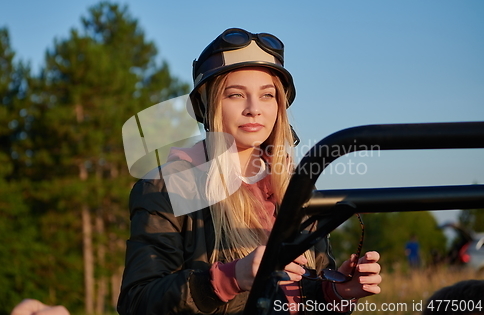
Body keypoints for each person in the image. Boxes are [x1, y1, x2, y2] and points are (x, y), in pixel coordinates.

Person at [117, 28, 382, 315]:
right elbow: (138, 302)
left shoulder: (297, 188)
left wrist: (336, 292)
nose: (254, 109)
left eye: (267, 95)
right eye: (235, 95)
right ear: (208, 107)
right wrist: (230, 278)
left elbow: (306, 295)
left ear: (279, 106)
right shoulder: (169, 186)